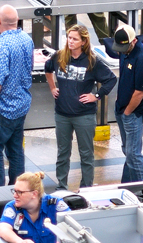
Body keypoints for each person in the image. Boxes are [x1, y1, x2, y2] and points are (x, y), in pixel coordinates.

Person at [45, 25, 116, 189]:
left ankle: (86, 187)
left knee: (86, 154)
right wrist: (52, 87)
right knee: (63, 152)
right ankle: (61, 186)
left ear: (83, 41)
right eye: (69, 37)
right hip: (62, 114)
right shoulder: (59, 56)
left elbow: (111, 79)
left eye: (75, 39)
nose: (70, 41)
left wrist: (96, 96)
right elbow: (48, 69)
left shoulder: (92, 61)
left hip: (84, 115)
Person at [0, 6, 34, 187]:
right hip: (21, 105)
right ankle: (18, 190)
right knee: (15, 151)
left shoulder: (1, 45)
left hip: (1, 109)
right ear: (17, 20)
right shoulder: (26, 39)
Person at [106, 25, 143, 183]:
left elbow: (139, 92)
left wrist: (127, 112)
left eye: (124, 47)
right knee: (128, 150)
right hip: (122, 108)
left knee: (134, 154)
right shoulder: (124, 51)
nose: (121, 50)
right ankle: (127, 185)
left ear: (134, 41)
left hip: (134, 113)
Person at [0, 171, 70, 243]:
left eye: (20, 192)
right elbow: (3, 229)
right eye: (14, 191)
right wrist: (20, 242)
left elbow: (73, 225)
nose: (14, 195)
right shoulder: (12, 207)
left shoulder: (55, 204)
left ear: (34, 194)